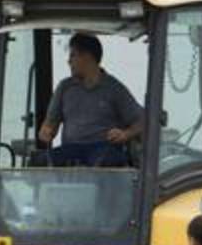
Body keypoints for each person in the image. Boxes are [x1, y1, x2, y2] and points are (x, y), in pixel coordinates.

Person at [38, 33, 144, 167]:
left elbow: (143, 121)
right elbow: (49, 125)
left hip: (102, 148)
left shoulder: (114, 88)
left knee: (108, 160)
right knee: (40, 161)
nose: (69, 61)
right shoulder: (65, 87)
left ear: (87, 57)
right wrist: (46, 132)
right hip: (71, 149)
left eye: (72, 55)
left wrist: (125, 134)